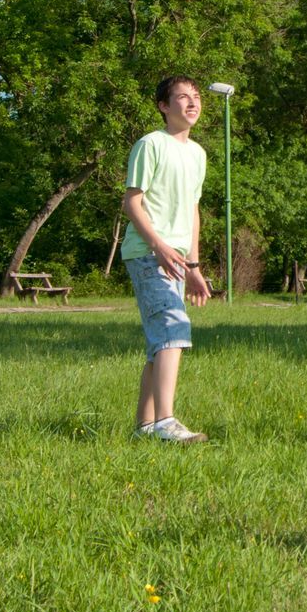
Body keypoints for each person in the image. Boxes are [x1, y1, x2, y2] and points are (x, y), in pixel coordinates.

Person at [120, 75, 214, 444]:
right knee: (174, 329)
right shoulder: (150, 145)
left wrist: (193, 266)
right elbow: (131, 202)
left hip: (177, 260)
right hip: (148, 253)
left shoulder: (198, 154)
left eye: (196, 97)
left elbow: (193, 210)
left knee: (161, 340)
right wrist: (158, 246)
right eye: (181, 97)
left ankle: (145, 426)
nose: (192, 103)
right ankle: (166, 422)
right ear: (163, 106)